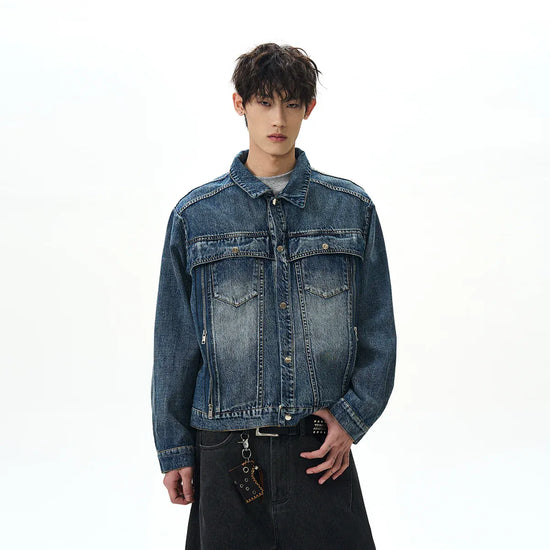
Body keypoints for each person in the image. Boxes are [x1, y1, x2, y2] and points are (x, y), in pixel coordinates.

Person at [151, 42, 397, 550]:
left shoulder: (351, 210)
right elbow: (175, 344)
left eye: (291, 103)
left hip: (318, 450)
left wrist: (352, 418)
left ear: (309, 108)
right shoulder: (196, 216)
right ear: (239, 104)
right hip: (225, 449)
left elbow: (378, 329)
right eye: (264, 102)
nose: (278, 119)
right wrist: (174, 448)